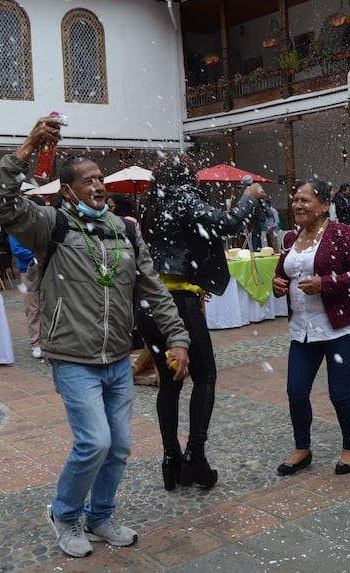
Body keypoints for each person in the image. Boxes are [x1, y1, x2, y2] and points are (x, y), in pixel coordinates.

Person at [0, 115, 190, 559]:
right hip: (73, 358)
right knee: (93, 442)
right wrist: (26, 149)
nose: (98, 185)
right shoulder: (50, 225)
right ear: (68, 190)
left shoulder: (126, 230)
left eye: (101, 178)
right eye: (88, 179)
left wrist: (178, 338)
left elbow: (153, 288)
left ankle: (100, 517)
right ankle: (64, 514)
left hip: (117, 358)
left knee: (118, 446)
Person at [136, 152, 266, 491]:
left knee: (169, 382)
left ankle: (171, 460)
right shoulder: (182, 196)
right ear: (186, 176)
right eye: (193, 172)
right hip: (177, 301)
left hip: (149, 302)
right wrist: (248, 198)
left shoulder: (151, 200)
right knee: (205, 375)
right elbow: (227, 223)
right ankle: (195, 456)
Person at [272, 179, 350, 476]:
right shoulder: (290, 238)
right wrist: (277, 285)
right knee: (296, 391)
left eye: (305, 200)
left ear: (324, 205)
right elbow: (282, 274)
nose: (298, 205)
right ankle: (302, 448)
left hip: (340, 328)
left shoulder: (343, 234)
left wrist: (326, 284)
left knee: (340, 393)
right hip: (302, 330)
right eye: (296, 200)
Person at [8, 234, 42, 359]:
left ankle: (45, 340)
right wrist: (36, 256)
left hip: (44, 267)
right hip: (29, 268)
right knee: (32, 306)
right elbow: (17, 250)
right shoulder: (16, 227)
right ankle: (36, 342)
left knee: (47, 304)